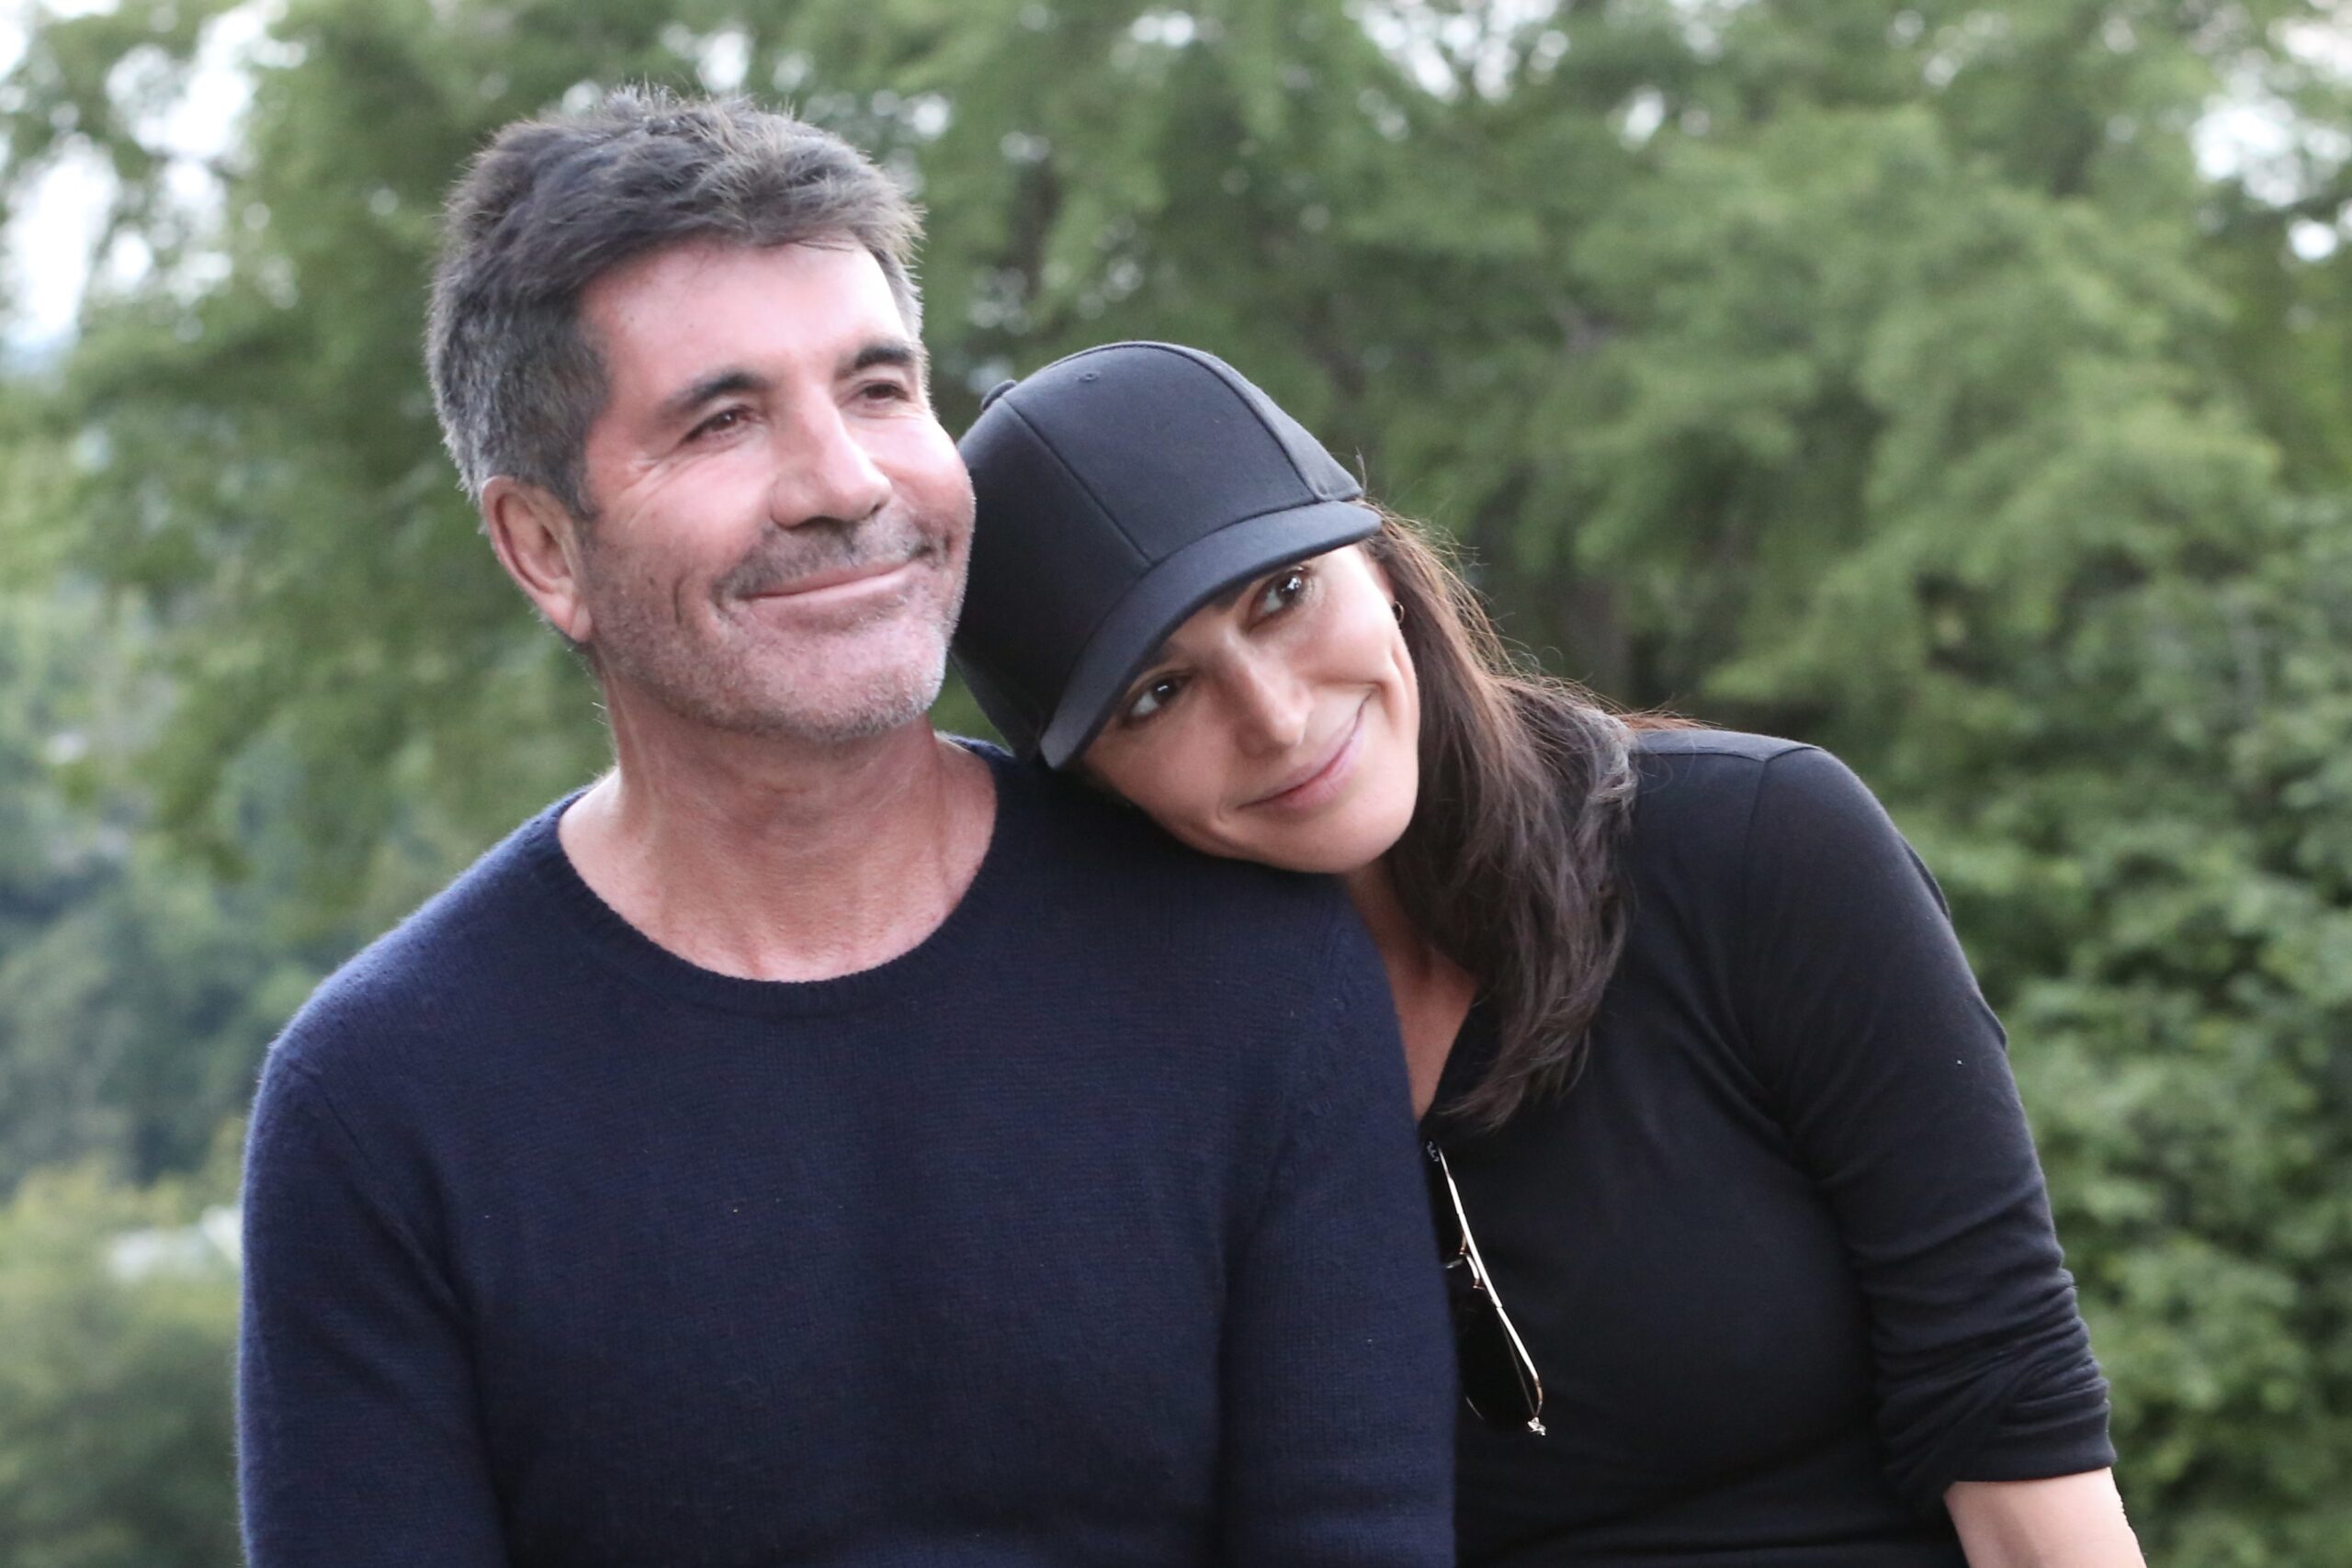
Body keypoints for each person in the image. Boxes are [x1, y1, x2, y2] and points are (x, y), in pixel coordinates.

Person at [235, 96, 1457, 1568]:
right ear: (543, 547)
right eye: (725, 420)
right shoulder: (384, 1102)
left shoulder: (1241, 964)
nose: (847, 484)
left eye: (880, 390)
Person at [952, 341, 2148, 1568]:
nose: (1274, 715)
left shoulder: (1757, 850)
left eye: (1282, 595)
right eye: (1160, 695)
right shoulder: (1134, 1083)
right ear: (1089, 788)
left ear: (1381, 562)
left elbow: (2024, 1464)